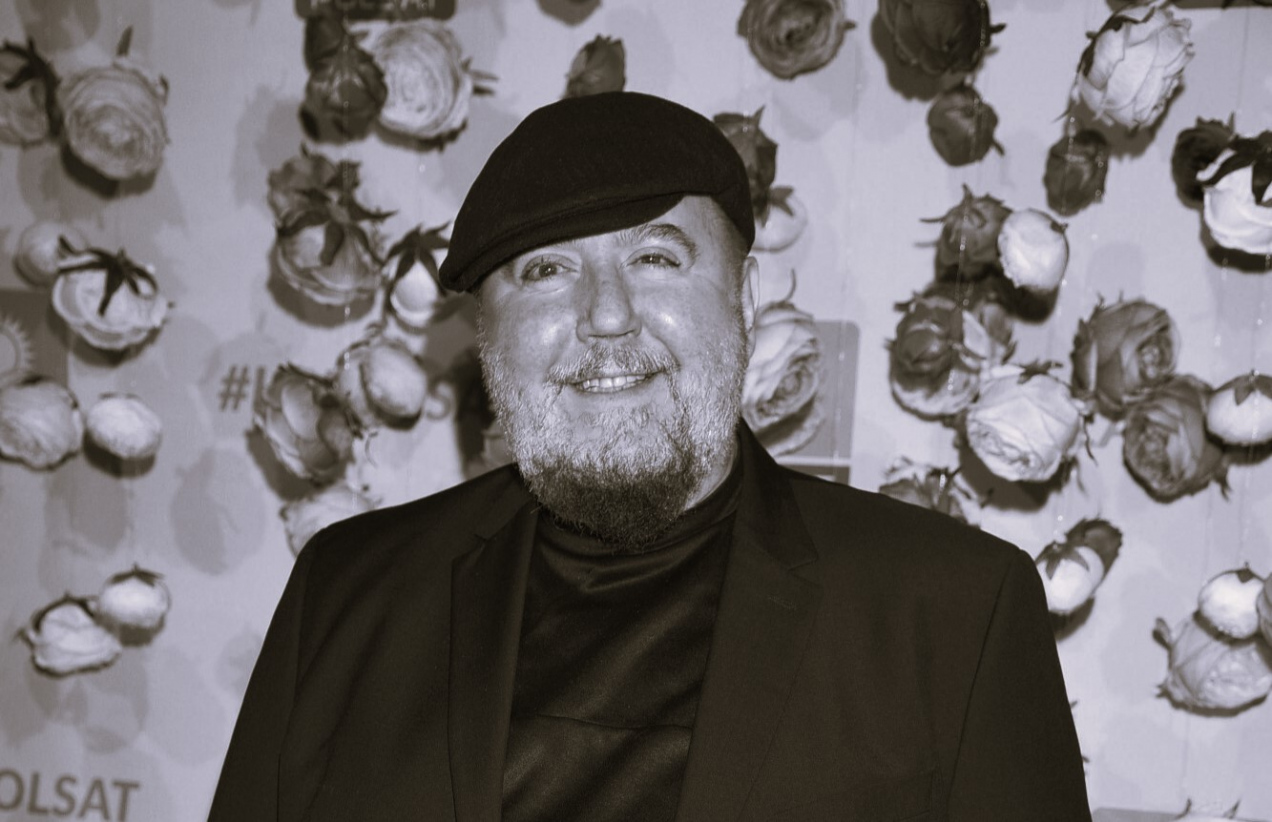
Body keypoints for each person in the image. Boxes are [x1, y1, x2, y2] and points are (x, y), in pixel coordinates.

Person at [208, 91, 1091, 821]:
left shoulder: (953, 616)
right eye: (545, 271)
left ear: (745, 297)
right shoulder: (345, 593)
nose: (605, 315)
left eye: (657, 258)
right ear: (486, 334)